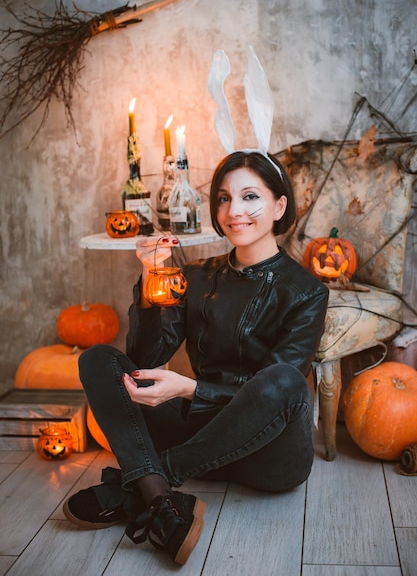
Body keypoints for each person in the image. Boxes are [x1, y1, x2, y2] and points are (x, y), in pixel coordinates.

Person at [63, 150, 329, 566]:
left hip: (270, 457)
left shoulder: (307, 291)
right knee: (99, 359)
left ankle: (145, 484)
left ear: (279, 207)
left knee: (285, 381)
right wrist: (153, 279)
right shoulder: (197, 276)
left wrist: (189, 388)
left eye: (249, 197)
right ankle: (162, 501)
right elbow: (144, 358)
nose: (234, 211)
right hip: (196, 436)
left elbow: (276, 393)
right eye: (223, 198)